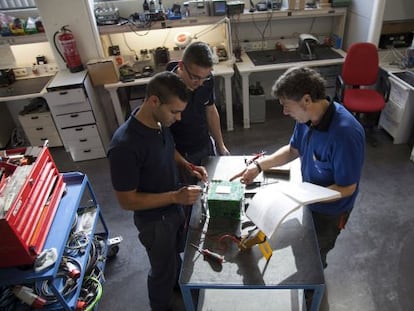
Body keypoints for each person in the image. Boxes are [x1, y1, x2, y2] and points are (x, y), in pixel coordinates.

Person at [232, 66, 365, 269]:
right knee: (303, 244)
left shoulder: (345, 135)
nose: (284, 112)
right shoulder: (307, 118)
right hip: (308, 197)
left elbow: (347, 188)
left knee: (316, 255)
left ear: (306, 100)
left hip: (330, 212)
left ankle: (312, 291)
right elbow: (293, 150)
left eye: (287, 105)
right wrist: (259, 166)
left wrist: (303, 198)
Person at [107, 71, 207, 311]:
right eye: (175, 111)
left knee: (174, 259)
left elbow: (168, 149)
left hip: (173, 212)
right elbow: (127, 200)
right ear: (153, 101)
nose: (179, 118)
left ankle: (177, 285)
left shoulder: (160, 123)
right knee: (161, 270)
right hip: (154, 222)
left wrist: (186, 165)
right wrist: (175, 196)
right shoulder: (124, 146)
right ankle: (160, 305)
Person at [168, 41, 230, 176]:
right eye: (195, 77)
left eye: (205, 77)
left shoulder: (206, 80)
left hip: (205, 145)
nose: (201, 83)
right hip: (180, 154)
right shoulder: (165, 88)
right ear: (181, 66)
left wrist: (221, 145)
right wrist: (184, 163)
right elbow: (160, 136)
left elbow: (210, 109)